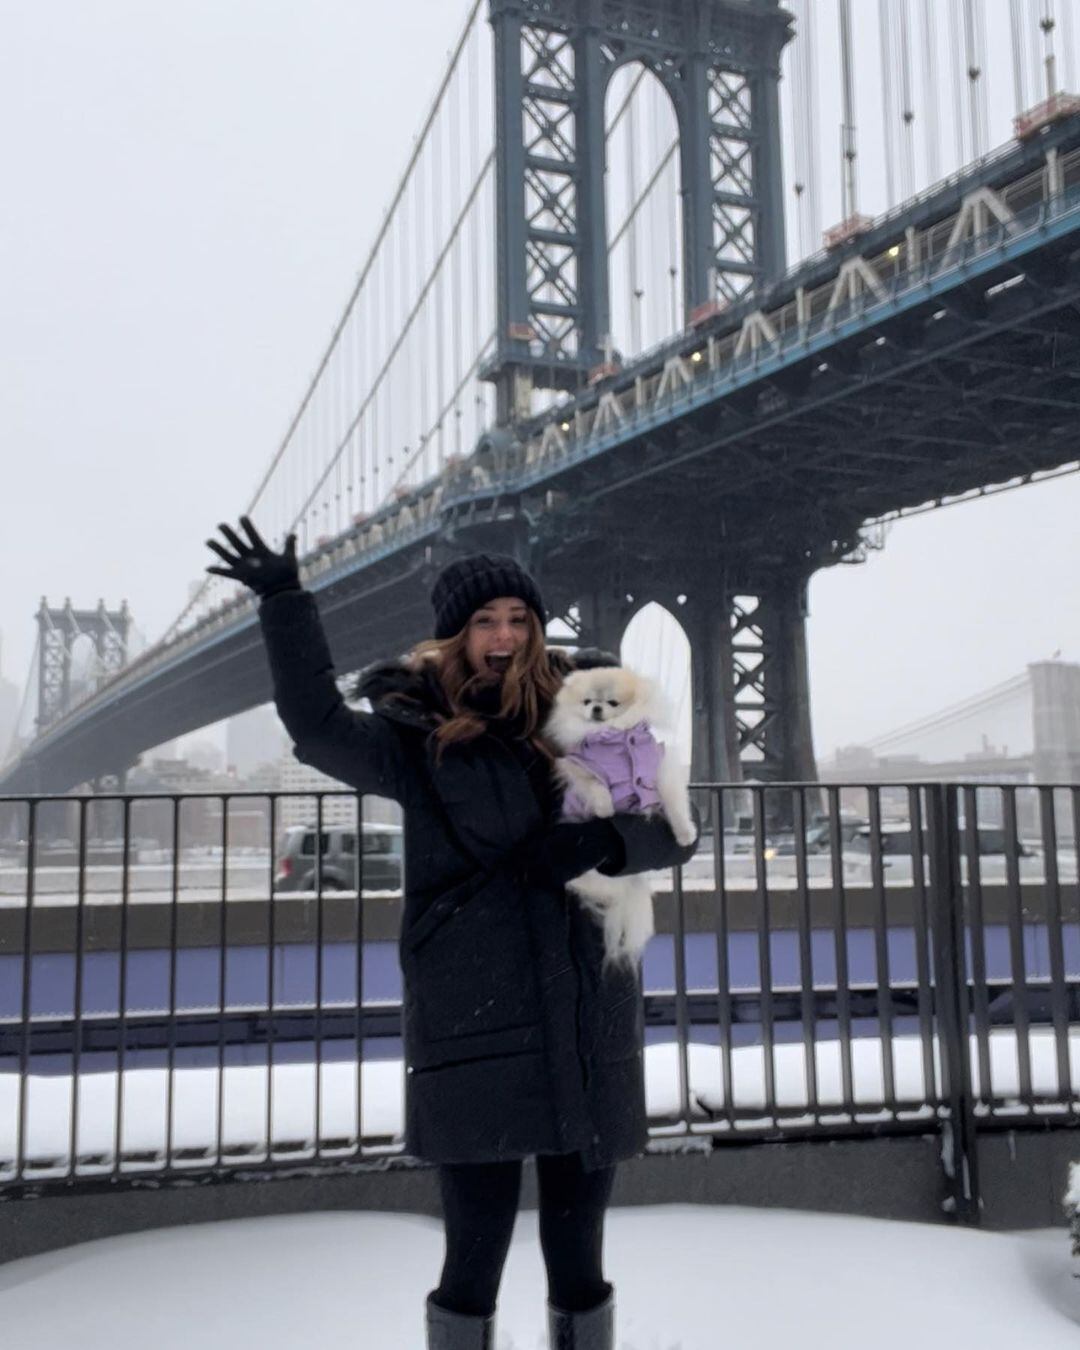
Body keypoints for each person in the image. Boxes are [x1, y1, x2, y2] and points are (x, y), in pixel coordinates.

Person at [205, 516, 698, 1350]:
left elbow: (682, 828)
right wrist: (286, 604)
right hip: (478, 1008)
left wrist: (606, 841)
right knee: (474, 1254)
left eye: (517, 618)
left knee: (580, 1256)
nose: (503, 636)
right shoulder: (414, 733)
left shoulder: (593, 711)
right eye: (483, 622)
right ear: (455, 637)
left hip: (586, 1008)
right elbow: (319, 727)